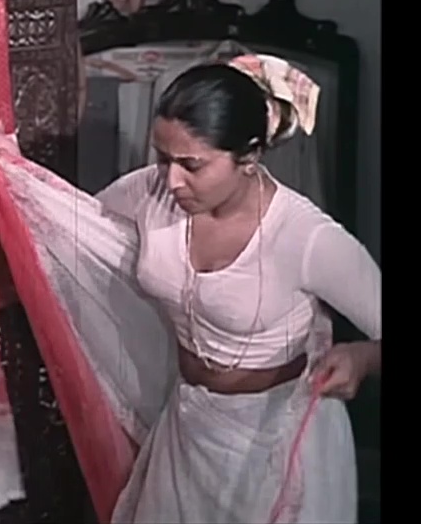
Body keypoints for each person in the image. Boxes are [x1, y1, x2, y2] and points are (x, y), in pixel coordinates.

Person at [97, 57, 380, 523]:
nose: (171, 179)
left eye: (191, 165)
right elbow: (75, 227)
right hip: (189, 430)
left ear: (249, 158)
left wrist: (364, 358)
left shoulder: (306, 237)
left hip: (276, 441)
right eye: (162, 157)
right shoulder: (151, 192)